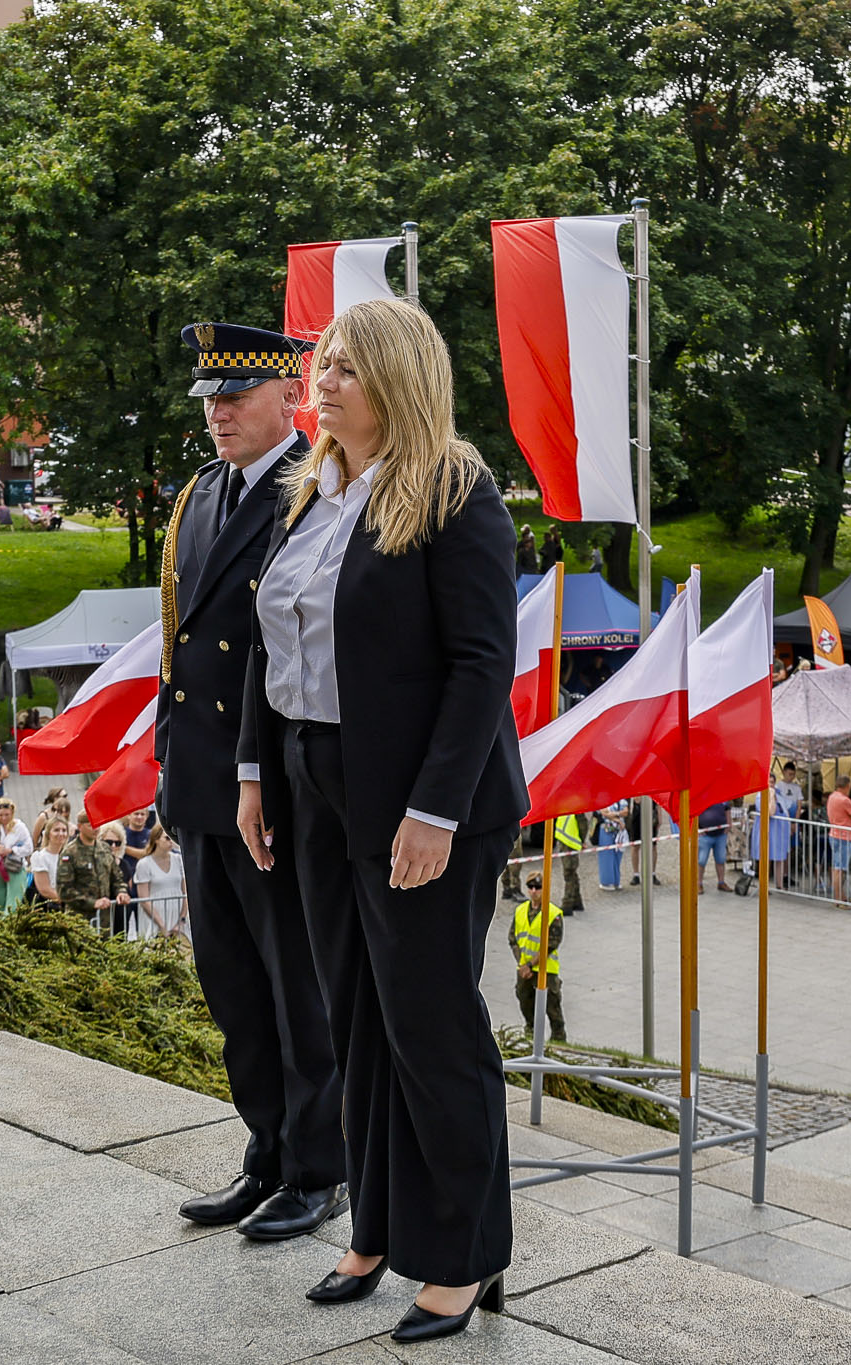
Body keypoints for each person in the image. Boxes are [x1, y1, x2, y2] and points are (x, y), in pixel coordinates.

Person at [235, 298, 524, 1340]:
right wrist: (254, 774)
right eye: (319, 366)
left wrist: (433, 811)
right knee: (350, 1019)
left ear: (397, 378)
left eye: (345, 369)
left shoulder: (453, 490)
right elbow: (278, 652)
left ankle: (460, 1255)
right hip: (315, 777)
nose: (321, 382)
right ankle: (376, 1227)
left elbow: (481, 664)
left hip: (421, 800)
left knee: (430, 1025)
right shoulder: (308, 489)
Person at [152, 331, 342, 1245]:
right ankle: (265, 1152)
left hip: (264, 785)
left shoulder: (311, 490)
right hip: (202, 781)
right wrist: (168, 760)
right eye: (209, 398)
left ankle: (319, 1167)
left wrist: (250, 773)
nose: (217, 412)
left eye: (235, 394)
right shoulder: (200, 494)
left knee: (293, 984)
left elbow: (284, 653)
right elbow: (177, 645)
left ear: (285, 396)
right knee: (231, 987)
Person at [510, 874, 563, 1041]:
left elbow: (551, 944)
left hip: (546, 970)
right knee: (525, 1001)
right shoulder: (520, 911)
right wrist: (522, 964)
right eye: (531, 888)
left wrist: (530, 966)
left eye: (538, 888)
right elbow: (513, 939)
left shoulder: (553, 913)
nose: (534, 891)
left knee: (553, 1009)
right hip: (524, 969)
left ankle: (559, 1041)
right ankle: (530, 1038)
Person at [58, 810, 131, 931]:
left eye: (98, 824)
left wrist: (121, 892)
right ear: (80, 827)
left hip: (104, 922)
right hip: (79, 922)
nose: (95, 828)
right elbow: (64, 890)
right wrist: (93, 903)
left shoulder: (105, 849)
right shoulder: (70, 853)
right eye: (90, 825)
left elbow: (117, 877)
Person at [132, 824, 188, 940]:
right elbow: (144, 899)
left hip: (177, 915)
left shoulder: (178, 860)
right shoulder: (144, 864)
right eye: (167, 838)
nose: (171, 842)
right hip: (153, 916)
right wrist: (161, 925)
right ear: (156, 840)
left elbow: (185, 893)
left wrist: (181, 920)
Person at [0, 797, 33, 915]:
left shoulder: (19, 827)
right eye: (1, 815)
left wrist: (12, 850)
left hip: (14, 866)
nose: (4, 818)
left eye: (7, 815)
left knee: (14, 901)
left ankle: (10, 922)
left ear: (12, 813)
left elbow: (29, 848)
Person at [25, 816, 69, 908]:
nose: (61, 833)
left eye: (64, 830)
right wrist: (68, 901)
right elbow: (45, 890)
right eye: (56, 830)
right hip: (46, 907)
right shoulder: (40, 857)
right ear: (49, 834)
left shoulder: (69, 857)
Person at [695, 800, 732, 894]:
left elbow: (727, 809)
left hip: (721, 834)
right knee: (701, 860)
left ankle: (721, 882)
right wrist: (697, 828)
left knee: (721, 859)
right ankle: (698, 883)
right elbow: (694, 811)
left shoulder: (724, 795)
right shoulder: (702, 795)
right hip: (704, 835)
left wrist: (729, 823)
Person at [595, 801, 626, 891]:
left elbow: (626, 811)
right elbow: (603, 812)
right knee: (606, 856)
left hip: (618, 830)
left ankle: (616, 881)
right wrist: (618, 819)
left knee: (617, 855)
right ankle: (607, 882)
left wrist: (614, 814)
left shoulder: (620, 798)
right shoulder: (601, 797)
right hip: (606, 829)